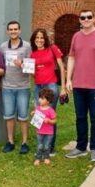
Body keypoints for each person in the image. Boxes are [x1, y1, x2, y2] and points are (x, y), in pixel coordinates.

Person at [65, 9, 95, 161]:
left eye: (89, 17)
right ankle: (81, 147)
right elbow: (72, 58)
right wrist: (68, 79)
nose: (86, 19)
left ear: (94, 18)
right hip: (78, 84)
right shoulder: (76, 36)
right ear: (79, 20)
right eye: (83, 17)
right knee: (80, 117)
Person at [30, 28, 67, 156]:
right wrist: (23, 66)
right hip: (38, 87)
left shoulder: (52, 48)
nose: (39, 40)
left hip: (51, 85)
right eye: (37, 38)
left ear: (45, 39)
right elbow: (33, 73)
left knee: (49, 115)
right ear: (34, 40)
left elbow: (62, 67)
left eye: (41, 37)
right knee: (39, 116)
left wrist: (63, 87)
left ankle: (50, 147)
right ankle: (41, 145)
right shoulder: (33, 53)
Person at [0, 21, 31, 154]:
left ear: (20, 30)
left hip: (23, 86)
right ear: (7, 31)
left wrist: (22, 64)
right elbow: (1, 65)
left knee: (23, 116)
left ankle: (25, 142)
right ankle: (10, 141)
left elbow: (31, 68)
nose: (13, 31)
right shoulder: (3, 47)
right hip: (7, 86)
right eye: (11, 29)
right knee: (9, 116)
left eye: (15, 29)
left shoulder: (27, 46)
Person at [31, 88, 57, 166]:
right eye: (39, 98)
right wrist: (32, 113)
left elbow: (55, 120)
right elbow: (33, 113)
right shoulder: (38, 108)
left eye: (42, 98)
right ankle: (38, 158)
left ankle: (46, 157)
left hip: (49, 132)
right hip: (39, 131)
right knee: (40, 146)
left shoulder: (51, 110)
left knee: (46, 146)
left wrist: (49, 121)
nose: (39, 100)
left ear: (48, 101)